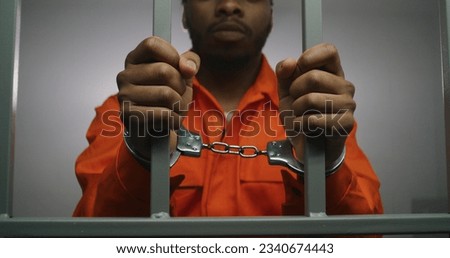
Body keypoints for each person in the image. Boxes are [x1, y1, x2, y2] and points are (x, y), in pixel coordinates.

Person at [73, 0, 383, 217]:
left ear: (271, 17)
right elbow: (92, 240)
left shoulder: (318, 112)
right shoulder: (125, 114)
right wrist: (141, 153)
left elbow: (365, 240)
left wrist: (325, 164)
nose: (229, 4)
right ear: (183, 14)